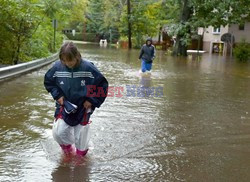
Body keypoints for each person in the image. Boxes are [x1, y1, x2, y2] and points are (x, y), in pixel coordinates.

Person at [44, 42, 108, 158]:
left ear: (77, 56)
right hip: (65, 105)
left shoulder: (89, 68)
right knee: (58, 132)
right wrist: (58, 96)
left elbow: (102, 86)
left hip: (83, 106)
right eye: (64, 60)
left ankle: (80, 158)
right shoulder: (57, 67)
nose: (68, 64)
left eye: (70, 60)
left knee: (81, 135)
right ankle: (68, 150)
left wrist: (91, 100)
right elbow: (49, 82)